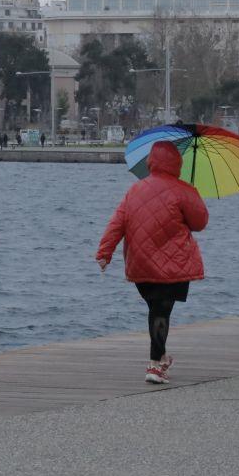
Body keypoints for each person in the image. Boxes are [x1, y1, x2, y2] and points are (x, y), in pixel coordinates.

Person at [95, 140, 209, 385]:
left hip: (141, 264)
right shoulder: (183, 190)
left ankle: (162, 357)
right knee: (161, 311)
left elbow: (117, 223)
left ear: (150, 162)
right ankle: (155, 365)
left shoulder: (135, 190)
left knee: (156, 309)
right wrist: (193, 193)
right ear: (177, 164)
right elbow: (200, 223)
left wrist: (105, 253)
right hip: (174, 266)